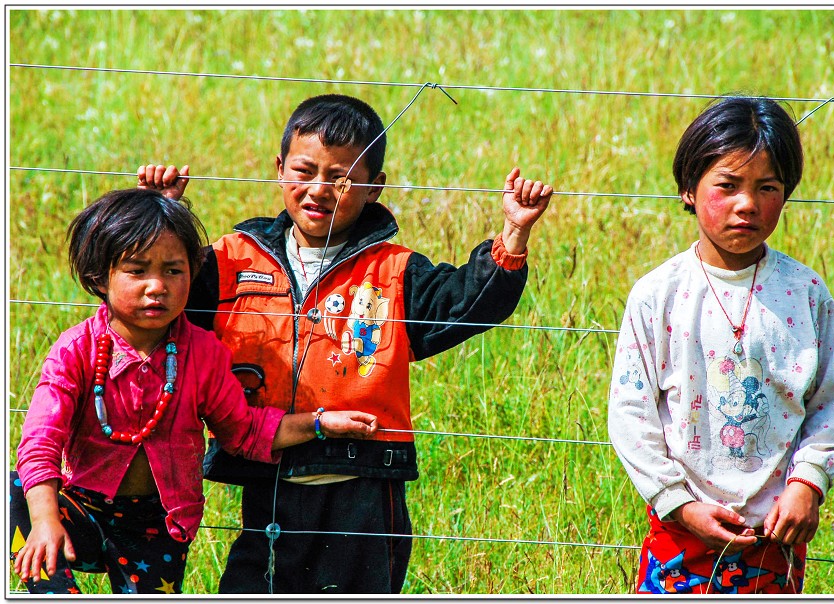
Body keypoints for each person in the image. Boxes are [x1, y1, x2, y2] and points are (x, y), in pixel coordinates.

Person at [137, 93, 554, 594]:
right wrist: (160, 216)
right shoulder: (231, 260)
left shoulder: (394, 271)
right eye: (304, 170)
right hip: (267, 476)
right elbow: (158, 301)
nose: (319, 189)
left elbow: (466, 303)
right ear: (279, 169)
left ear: (374, 187)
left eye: (341, 178)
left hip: (363, 488)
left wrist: (514, 232)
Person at [11, 188, 378, 595]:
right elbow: (40, 443)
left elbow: (243, 430)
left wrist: (320, 423)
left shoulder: (203, 354)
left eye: (173, 271)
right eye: (137, 270)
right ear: (100, 275)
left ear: (193, 271)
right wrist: (44, 519)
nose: (157, 286)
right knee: (13, 492)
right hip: (81, 508)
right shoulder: (77, 350)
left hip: (159, 525)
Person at [607, 96, 834, 594]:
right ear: (688, 188)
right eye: (727, 185)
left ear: (786, 194)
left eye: (768, 187)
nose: (748, 204)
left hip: (777, 532)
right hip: (681, 530)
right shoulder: (659, 295)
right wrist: (678, 503)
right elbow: (630, 412)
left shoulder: (805, 293)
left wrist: (807, 483)